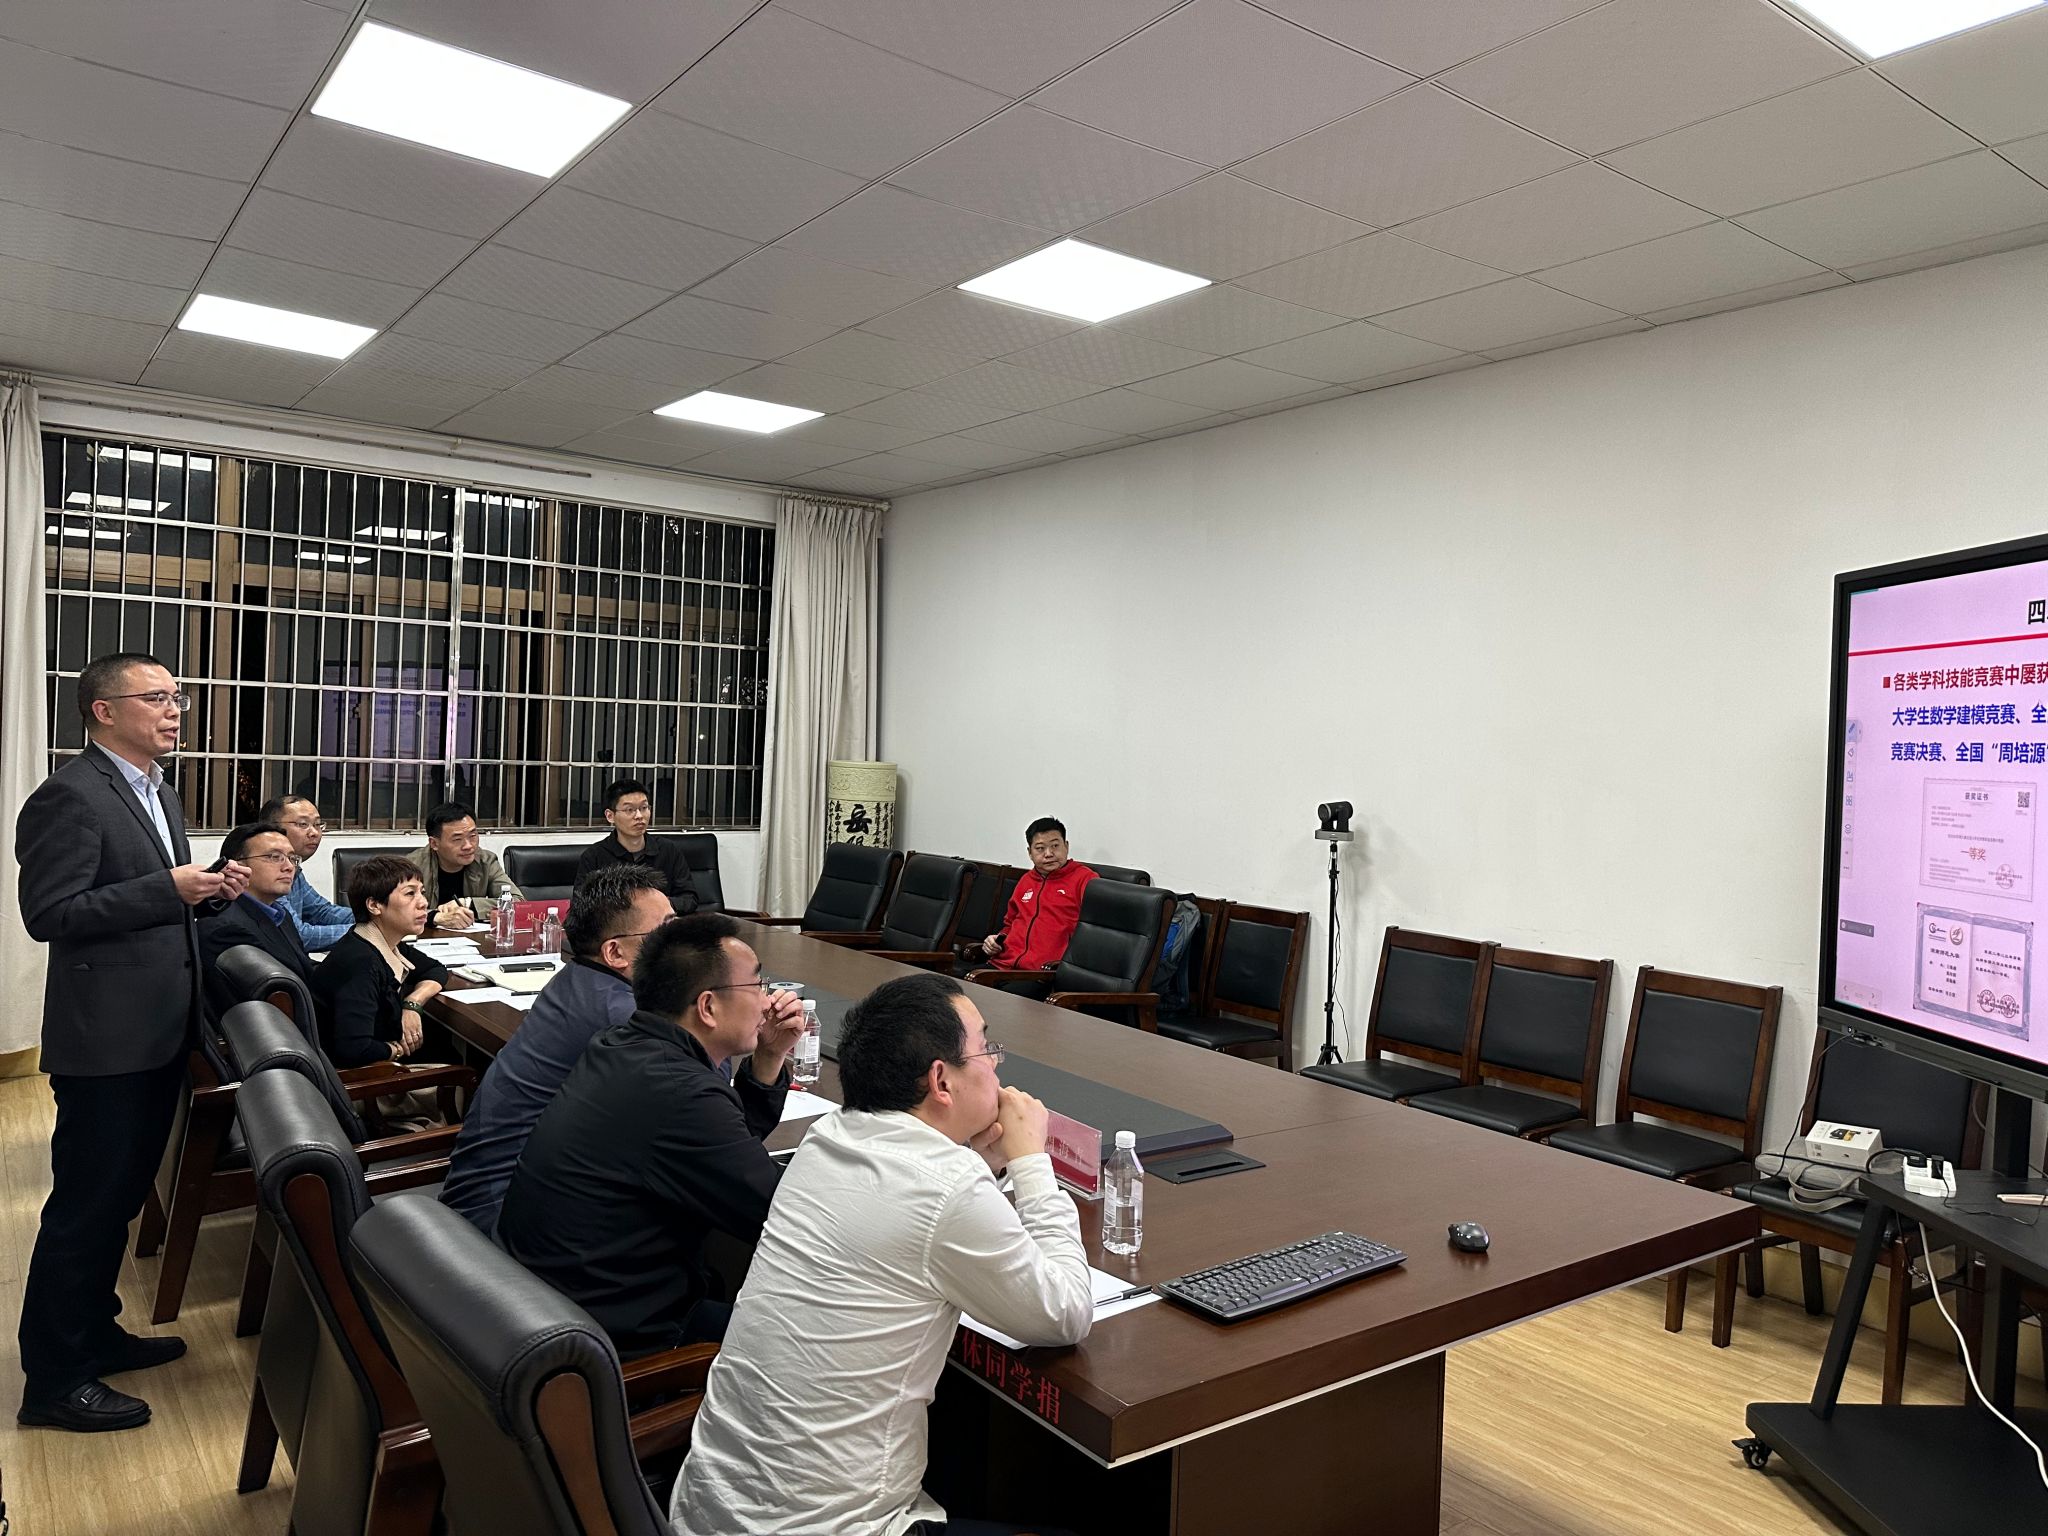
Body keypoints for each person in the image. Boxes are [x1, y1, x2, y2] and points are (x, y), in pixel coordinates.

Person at [672, 973, 1091, 1536]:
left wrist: (976, 1160)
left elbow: (911, 1211)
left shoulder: (827, 1135)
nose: (996, 1065)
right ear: (940, 1079)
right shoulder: (947, 1187)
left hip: (709, 1509)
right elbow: (1065, 1313)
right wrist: (1032, 1164)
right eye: (986, 1049)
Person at [14, 652, 251, 1433]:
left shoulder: (156, 789)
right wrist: (166, 887)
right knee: (85, 1208)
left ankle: (96, 1332)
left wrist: (206, 895)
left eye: (178, 697)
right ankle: (54, 1380)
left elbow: (151, 907)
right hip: (105, 1040)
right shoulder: (70, 796)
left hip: (157, 1029)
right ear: (104, 711)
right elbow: (50, 914)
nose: (175, 709)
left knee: (117, 1199)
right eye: (157, 698)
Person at [495, 912, 804, 1354]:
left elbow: (720, 1150)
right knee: (813, 1342)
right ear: (708, 1007)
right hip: (617, 1343)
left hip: (549, 1305)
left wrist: (769, 1057)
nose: (767, 1000)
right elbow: (782, 1217)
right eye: (757, 985)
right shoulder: (681, 1091)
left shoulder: (622, 1044)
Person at [438, 865, 676, 1237]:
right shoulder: (621, 1015)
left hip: (477, 1201)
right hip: (507, 1223)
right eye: (666, 932)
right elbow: (698, 1106)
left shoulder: (575, 979)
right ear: (615, 952)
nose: (680, 943)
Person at [310, 855, 449, 1069]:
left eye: (422, 892)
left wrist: (412, 1004)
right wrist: (398, 1050)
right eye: (410, 893)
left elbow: (435, 969)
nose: (423, 903)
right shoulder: (361, 963)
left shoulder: (383, 941)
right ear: (374, 905)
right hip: (363, 1076)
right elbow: (355, 1049)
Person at [198, 820, 316, 1021]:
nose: (289, 867)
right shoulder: (225, 927)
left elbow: (303, 969)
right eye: (275, 857)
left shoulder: (278, 914)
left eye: (292, 858)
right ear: (236, 867)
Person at [977, 817, 1098, 971]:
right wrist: (996, 940)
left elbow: (1093, 935)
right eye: (1040, 848)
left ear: (1066, 846)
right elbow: (1010, 924)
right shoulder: (1026, 880)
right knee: (957, 983)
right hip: (1002, 965)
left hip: (1042, 972)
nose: (1048, 854)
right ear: (1030, 853)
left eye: (1055, 846)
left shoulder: (1085, 880)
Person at [573, 777, 700, 911]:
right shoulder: (594, 857)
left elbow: (689, 898)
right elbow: (580, 907)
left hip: (662, 922)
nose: (639, 816)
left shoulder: (668, 850)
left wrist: (659, 904)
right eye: (629, 810)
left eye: (644, 808)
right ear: (610, 816)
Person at [408, 800, 521, 931]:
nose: (468, 846)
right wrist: (434, 917)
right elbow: (394, 909)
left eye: (472, 836)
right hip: (425, 938)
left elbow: (518, 903)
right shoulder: (412, 866)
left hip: (471, 939)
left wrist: (469, 903)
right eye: (457, 839)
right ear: (434, 843)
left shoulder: (486, 861)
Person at [258, 793, 351, 950]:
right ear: (272, 828)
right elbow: (299, 936)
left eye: (318, 824)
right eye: (303, 824)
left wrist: (376, 916)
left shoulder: (294, 870)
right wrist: (368, 932)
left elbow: (321, 912)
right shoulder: (265, 873)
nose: (314, 833)